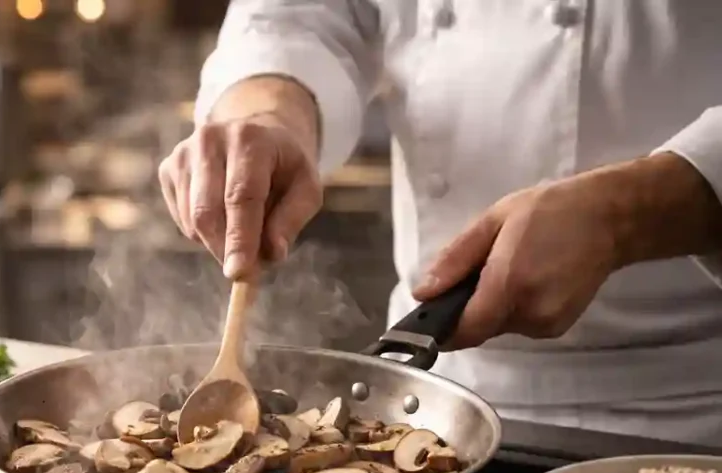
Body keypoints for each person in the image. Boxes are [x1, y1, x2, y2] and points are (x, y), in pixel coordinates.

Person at [157, 0, 722, 448]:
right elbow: (298, 14)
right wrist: (267, 113)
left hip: (692, 414)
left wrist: (625, 215)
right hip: (439, 401)